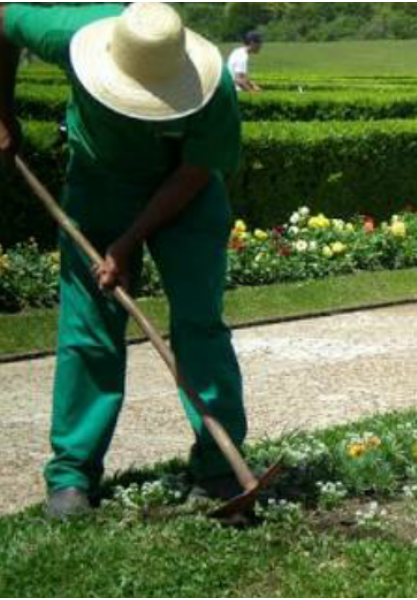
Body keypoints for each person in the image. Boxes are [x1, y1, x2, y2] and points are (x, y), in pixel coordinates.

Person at [0, 2, 248, 519]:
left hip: (185, 193)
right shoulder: (69, 35)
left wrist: (128, 242)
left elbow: (197, 171)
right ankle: (71, 476)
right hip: (99, 186)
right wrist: (3, 108)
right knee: (88, 332)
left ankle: (220, 465)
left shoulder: (213, 90)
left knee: (199, 325)